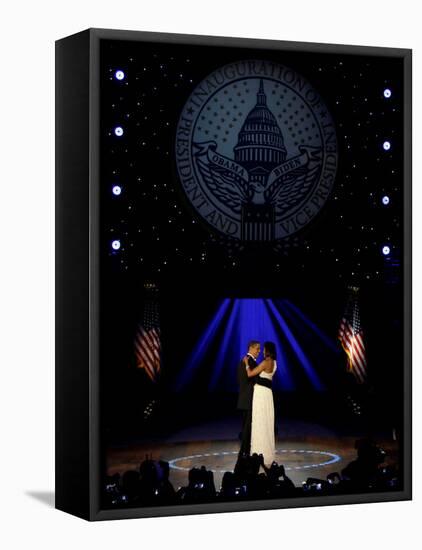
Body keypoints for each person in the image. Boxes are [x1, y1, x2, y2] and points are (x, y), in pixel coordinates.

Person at [242, 341, 277, 468]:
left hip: (261, 395)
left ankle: (258, 452)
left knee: (259, 422)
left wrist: (246, 364)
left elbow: (250, 374)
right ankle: (267, 453)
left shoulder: (265, 362)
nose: (262, 351)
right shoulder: (274, 363)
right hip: (268, 394)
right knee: (266, 423)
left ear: (268, 351)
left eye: (264, 349)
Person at [236, 340, 261, 457]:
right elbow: (253, 379)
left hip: (245, 398)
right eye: (257, 349)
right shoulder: (249, 361)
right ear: (251, 348)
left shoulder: (246, 360)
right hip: (249, 399)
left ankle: (246, 451)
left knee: (247, 425)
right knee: (247, 427)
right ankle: (245, 452)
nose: (259, 351)